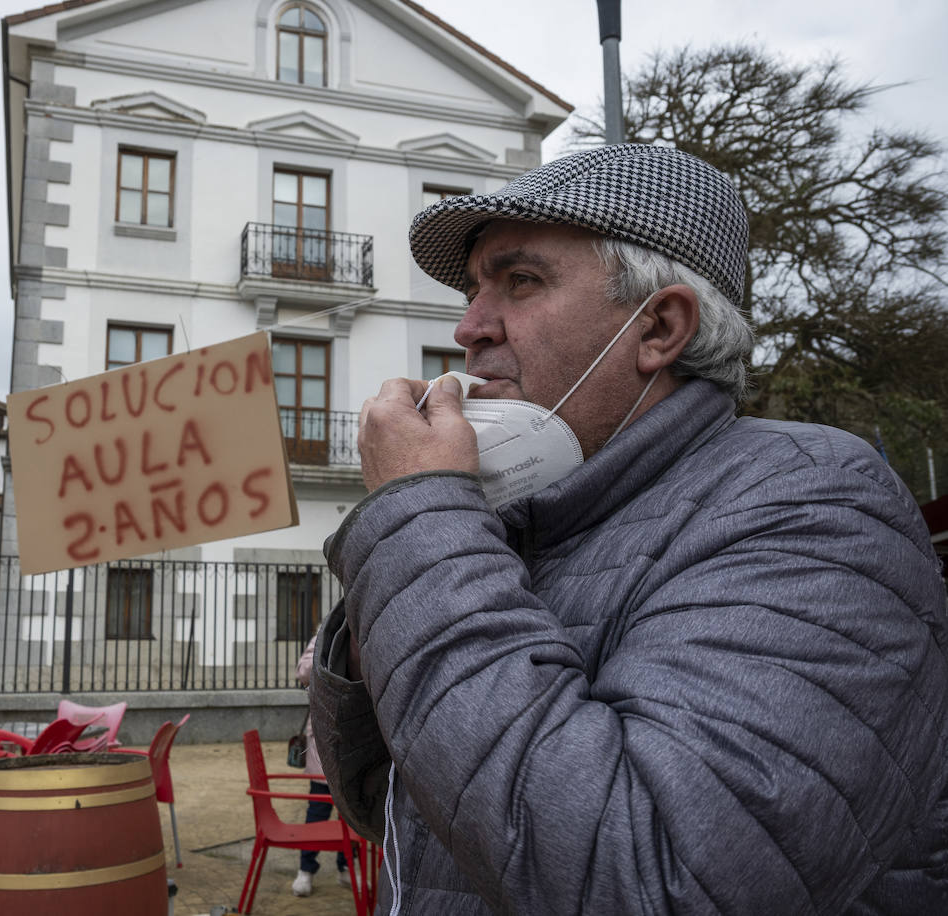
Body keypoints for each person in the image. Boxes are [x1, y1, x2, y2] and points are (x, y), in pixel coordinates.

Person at [307, 144, 948, 914]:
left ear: (660, 328)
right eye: (476, 290)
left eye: (520, 281)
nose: (469, 326)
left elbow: (650, 877)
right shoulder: (522, 515)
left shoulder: (812, 502)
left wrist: (420, 517)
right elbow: (405, 810)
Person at [291, 630, 349, 897]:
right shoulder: (324, 635)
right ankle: (306, 868)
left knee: (352, 813)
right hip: (323, 740)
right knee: (318, 808)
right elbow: (302, 672)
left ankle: (346, 866)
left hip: (355, 738)